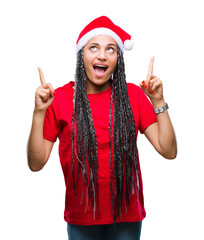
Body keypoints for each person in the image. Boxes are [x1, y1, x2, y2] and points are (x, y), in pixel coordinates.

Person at [27, 16, 177, 240]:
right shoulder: (58, 99)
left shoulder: (133, 95)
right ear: (82, 55)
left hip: (127, 216)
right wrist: (39, 113)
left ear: (118, 58)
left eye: (111, 49)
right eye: (93, 47)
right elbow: (36, 164)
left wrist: (158, 101)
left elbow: (169, 151)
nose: (101, 55)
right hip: (82, 217)